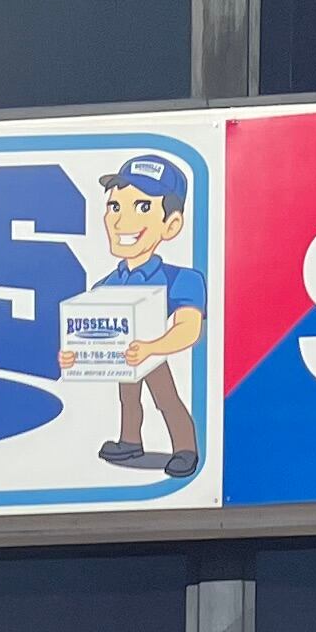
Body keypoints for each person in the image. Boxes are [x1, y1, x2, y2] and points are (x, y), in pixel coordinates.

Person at [72, 154, 205, 480]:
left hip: (152, 354)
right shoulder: (107, 282)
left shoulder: (182, 278)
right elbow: (86, 328)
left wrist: (151, 347)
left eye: (143, 207)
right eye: (115, 207)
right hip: (120, 355)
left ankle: (185, 448)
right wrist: (73, 354)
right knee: (127, 396)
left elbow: (189, 329)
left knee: (166, 398)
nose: (120, 220)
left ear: (171, 224)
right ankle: (130, 440)